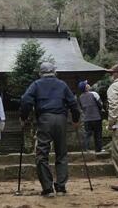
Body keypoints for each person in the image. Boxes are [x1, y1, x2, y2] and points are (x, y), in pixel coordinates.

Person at [20, 62, 80, 197]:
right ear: (54, 72)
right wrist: (75, 119)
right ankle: (61, 187)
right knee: (61, 153)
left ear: (40, 73)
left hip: (45, 119)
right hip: (61, 119)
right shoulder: (62, 84)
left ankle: (47, 188)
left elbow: (26, 101)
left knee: (42, 153)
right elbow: (73, 103)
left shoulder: (36, 84)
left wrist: (23, 117)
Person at [78, 80, 104, 152]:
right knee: (98, 134)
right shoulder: (94, 94)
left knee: (87, 134)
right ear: (86, 87)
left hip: (87, 118)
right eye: (87, 84)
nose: (88, 84)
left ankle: (86, 148)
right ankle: (99, 149)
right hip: (96, 117)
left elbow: (81, 107)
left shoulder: (80, 97)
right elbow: (100, 104)